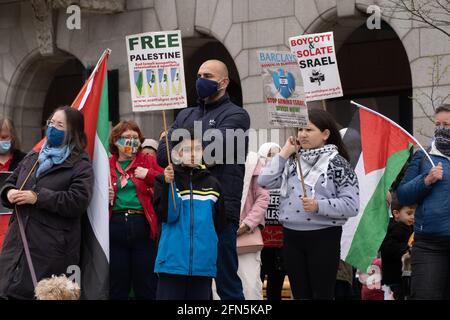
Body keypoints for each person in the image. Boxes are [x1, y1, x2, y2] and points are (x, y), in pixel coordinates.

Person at [157, 59, 250, 300]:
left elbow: (210, 152)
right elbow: (161, 156)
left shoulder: (237, 116)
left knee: (225, 280)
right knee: (191, 283)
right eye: (199, 75)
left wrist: (174, 140)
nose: (201, 80)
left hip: (217, 211)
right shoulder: (186, 114)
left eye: (208, 76)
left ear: (224, 82)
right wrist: (175, 145)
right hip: (183, 211)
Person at [258, 108, 359, 300]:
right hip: (291, 235)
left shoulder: (339, 164)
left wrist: (318, 205)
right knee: (300, 294)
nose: (302, 134)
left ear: (325, 134)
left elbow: (352, 204)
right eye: (300, 130)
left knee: (321, 294)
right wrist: (284, 153)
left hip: (323, 236)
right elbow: (264, 181)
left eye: (309, 130)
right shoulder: (291, 161)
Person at [0, 106, 93, 300]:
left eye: (60, 125)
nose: (52, 128)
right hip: (17, 245)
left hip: (52, 251)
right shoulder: (34, 157)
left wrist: (38, 197)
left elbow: (78, 201)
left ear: (72, 132)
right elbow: (10, 182)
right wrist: (9, 193)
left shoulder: (80, 164)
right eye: (51, 123)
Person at [153, 128, 226, 300]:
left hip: (203, 264)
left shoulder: (213, 184)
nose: (193, 154)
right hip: (172, 263)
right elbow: (168, 216)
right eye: (187, 150)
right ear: (177, 153)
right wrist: (167, 184)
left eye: (198, 149)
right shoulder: (164, 180)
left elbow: (220, 223)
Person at [397, 104, 450, 300]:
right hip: (430, 245)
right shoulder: (423, 156)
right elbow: (402, 195)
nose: (442, 128)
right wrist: (426, 180)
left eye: (447, 124)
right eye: (438, 124)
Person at [108, 120, 163, 300]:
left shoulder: (148, 160)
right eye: (126, 138)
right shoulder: (107, 164)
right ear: (116, 141)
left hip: (142, 226)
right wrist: (104, 196)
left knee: (146, 283)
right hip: (115, 226)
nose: (131, 141)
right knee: (118, 283)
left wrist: (148, 175)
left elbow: (167, 179)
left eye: (135, 137)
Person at [236, 151, 269, 300]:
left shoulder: (251, 160)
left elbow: (263, 197)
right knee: (219, 288)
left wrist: (246, 225)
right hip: (217, 233)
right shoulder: (210, 158)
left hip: (246, 234)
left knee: (249, 287)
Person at [258, 142, 287, 301]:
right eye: (270, 154)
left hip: (281, 242)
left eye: (278, 153)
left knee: (276, 285)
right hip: (260, 241)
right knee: (258, 280)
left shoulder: (285, 176)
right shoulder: (257, 177)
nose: (274, 158)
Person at [379, 192, 415, 300]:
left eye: (414, 214)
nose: (413, 217)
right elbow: (388, 247)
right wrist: (406, 249)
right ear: (396, 213)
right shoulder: (397, 228)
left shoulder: (407, 227)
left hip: (398, 275)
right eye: (409, 213)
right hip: (396, 275)